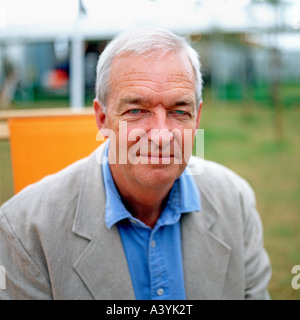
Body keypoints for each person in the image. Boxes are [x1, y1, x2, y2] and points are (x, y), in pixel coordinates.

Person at [0, 27, 271, 300]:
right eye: (136, 111)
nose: (162, 135)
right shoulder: (25, 229)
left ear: (196, 119)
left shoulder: (235, 202)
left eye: (179, 111)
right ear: (102, 119)